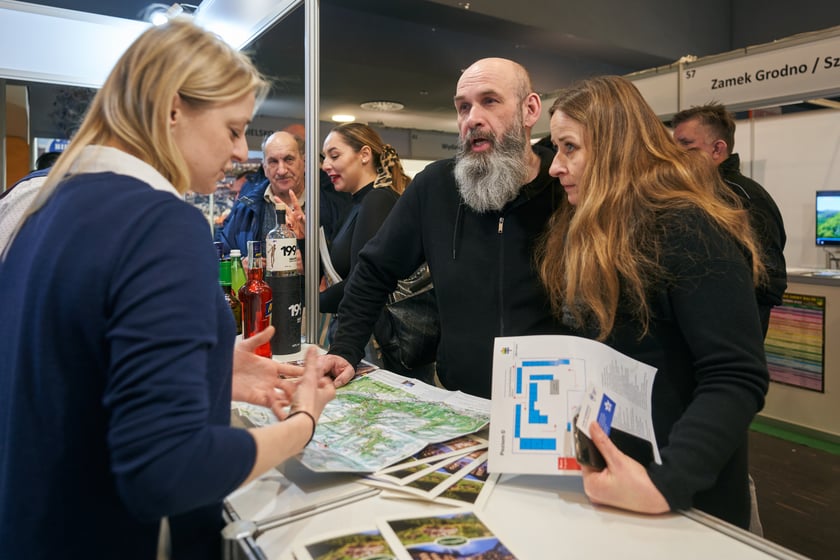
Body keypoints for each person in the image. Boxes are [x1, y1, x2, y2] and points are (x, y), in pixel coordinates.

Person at [0, 19, 335, 559]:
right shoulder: (158, 221)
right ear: (173, 109)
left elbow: (73, 368)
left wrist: (210, 368)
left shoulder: (46, 207)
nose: (240, 153)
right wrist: (303, 422)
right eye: (232, 129)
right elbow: (168, 469)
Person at [538, 75, 769, 529]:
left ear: (613, 148)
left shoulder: (687, 228)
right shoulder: (593, 231)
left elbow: (735, 375)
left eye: (569, 148)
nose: (555, 167)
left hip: (682, 498)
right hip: (618, 484)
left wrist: (667, 482)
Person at [320, 57, 566, 397]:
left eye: (489, 101)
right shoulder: (436, 186)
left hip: (553, 401)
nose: (472, 119)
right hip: (461, 401)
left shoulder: (567, 188)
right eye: (463, 107)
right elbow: (373, 271)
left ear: (530, 109)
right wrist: (345, 348)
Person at [671, 102, 787, 335]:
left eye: (686, 144)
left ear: (717, 149)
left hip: (731, 333)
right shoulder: (696, 194)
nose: (675, 154)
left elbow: (769, 279)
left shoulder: (746, 197)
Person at [318, 122, 422, 375]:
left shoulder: (377, 201)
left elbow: (362, 279)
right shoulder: (357, 203)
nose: (325, 166)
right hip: (365, 336)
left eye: (334, 155)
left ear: (364, 155)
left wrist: (309, 302)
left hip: (377, 339)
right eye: (324, 158)